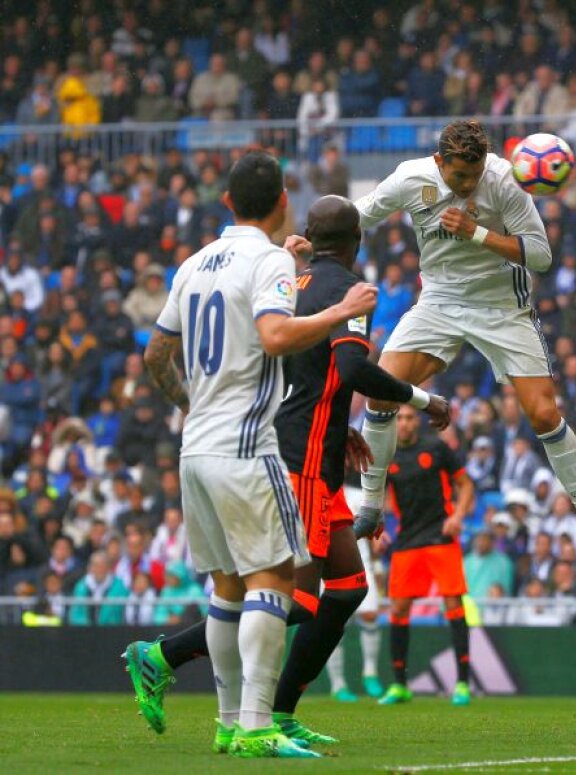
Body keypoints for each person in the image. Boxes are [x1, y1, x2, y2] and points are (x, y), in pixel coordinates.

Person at [124, 196, 450, 748]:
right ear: (355, 242)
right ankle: (164, 657)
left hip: (315, 455)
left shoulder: (290, 281)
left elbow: (303, 365)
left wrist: (334, 419)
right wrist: (422, 399)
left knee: (346, 588)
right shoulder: (346, 289)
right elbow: (349, 366)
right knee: (290, 599)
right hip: (298, 462)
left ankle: (281, 710)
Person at [351, 119, 576, 593]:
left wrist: (477, 232)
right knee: (379, 390)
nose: (467, 184)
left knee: (543, 414)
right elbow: (361, 214)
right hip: (438, 302)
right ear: (440, 163)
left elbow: (540, 257)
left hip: (503, 309)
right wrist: (313, 240)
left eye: (473, 175)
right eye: (459, 177)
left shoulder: (505, 181)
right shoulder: (411, 179)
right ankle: (371, 506)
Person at [376, 404, 475, 707]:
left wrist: (457, 515)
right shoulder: (387, 454)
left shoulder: (436, 448)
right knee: (398, 608)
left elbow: (465, 484)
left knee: (453, 604)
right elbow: (377, 493)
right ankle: (400, 685)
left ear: (417, 421)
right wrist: (378, 525)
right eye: (399, 418)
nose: (404, 423)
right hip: (407, 539)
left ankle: (462, 683)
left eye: (408, 417)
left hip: (440, 536)